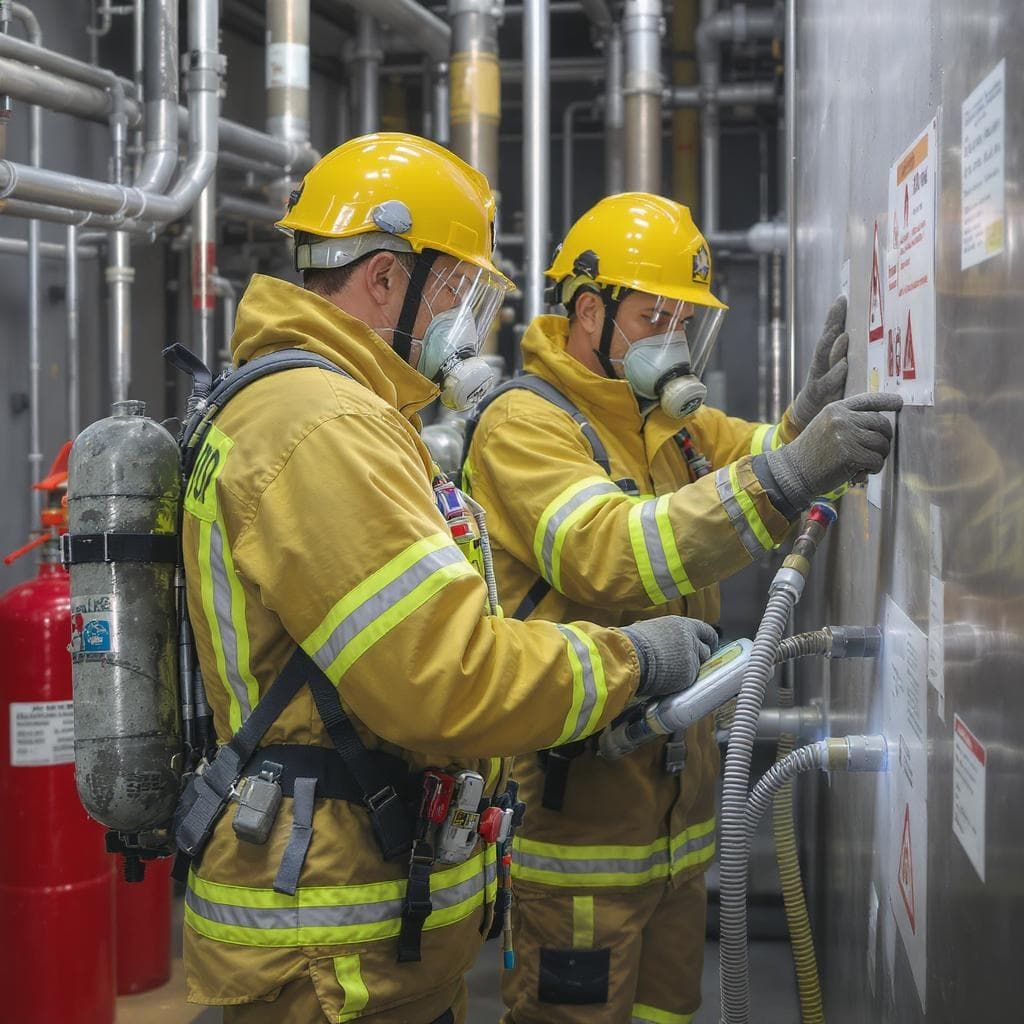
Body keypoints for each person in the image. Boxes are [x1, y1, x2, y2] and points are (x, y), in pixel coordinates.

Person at [179, 137, 719, 1024]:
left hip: (348, 917)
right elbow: (445, 676)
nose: (469, 321)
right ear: (386, 278)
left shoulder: (315, 408)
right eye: (457, 290)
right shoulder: (322, 430)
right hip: (331, 946)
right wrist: (630, 660)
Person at [462, 193, 902, 1024]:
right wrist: (791, 471)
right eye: (655, 314)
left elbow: (763, 455)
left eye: (684, 318)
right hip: (580, 838)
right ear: (589, 311)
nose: (673, 336)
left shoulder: (671, 427)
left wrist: (803, 423)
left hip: (677, 838)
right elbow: (607, 549)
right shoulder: (525, 423)